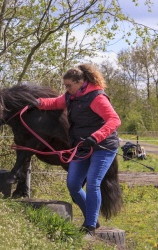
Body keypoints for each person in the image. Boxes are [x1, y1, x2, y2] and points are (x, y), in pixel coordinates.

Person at [35, 63, 121, 236]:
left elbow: (114, 120)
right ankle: (92, 219)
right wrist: (36, 102)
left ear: (81, 82)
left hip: (103, 146)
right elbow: (54, 103)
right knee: (73, 184)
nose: (66, 89)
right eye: (65, 86)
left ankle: (89, 226)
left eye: (69, 85)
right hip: (82, 146)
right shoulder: (70, 97)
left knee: (93, 182)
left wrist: (95, 137)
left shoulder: (97, 97)